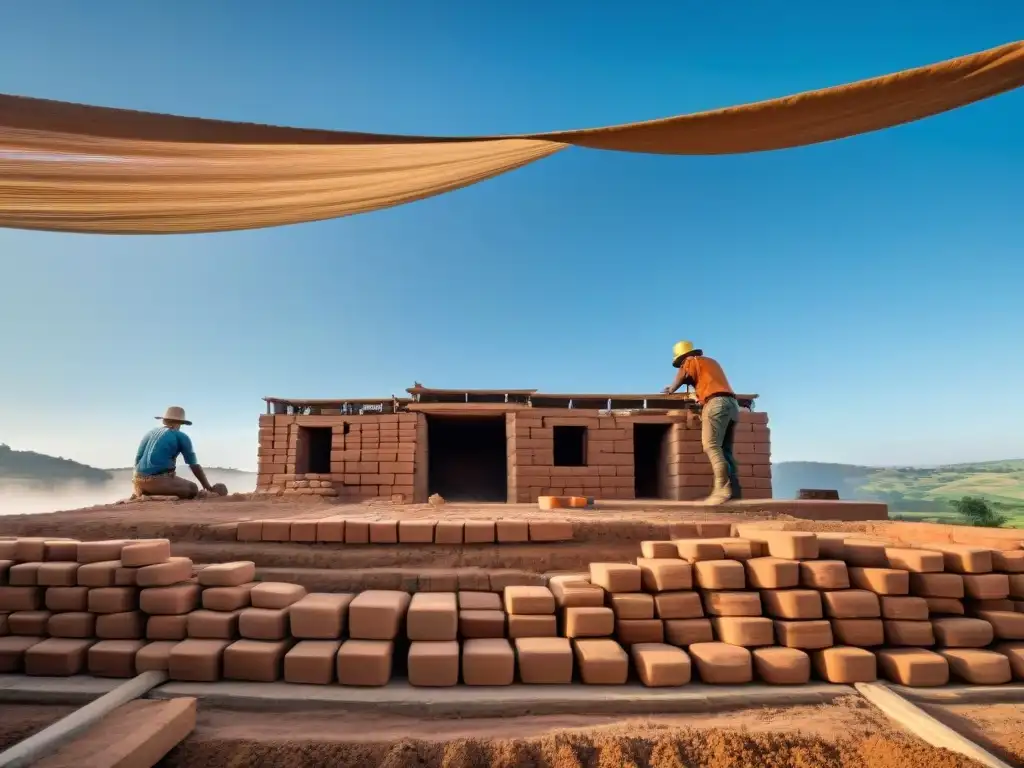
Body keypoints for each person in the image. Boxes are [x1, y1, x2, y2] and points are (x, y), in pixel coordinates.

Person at [662, 340, 741, 504]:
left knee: (711, 445)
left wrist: (671, 389)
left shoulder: (691, 361)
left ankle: (722, 490)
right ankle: (735, 490)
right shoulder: (710, 363)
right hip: (732, 405)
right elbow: (709, 385)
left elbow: (682, 375)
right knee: (724, 449)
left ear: (682, 357)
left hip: (716, 403)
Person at [133, 406, 219, 499]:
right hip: (159, 482)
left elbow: (138, 459)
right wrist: (207, 487)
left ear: (164, 420)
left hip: (138, 482)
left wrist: (138, 482)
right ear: (180, 423)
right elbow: (194, 465)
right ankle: (157, 494)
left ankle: (144, 491)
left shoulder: (149, 433)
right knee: (193, 488)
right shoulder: (181, 436)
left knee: (167, 480)